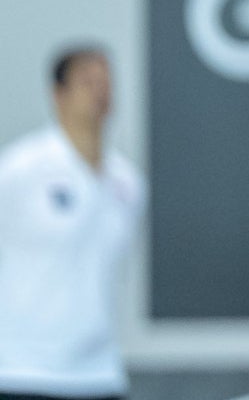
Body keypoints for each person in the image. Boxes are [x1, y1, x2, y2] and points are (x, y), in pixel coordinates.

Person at [0, 46, 146, 400]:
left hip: (99, 374)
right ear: (59, 94)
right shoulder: (20, 169)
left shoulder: (128, 183)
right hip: (23, 372)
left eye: (106, 82)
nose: (100, 91)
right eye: (87, 81)